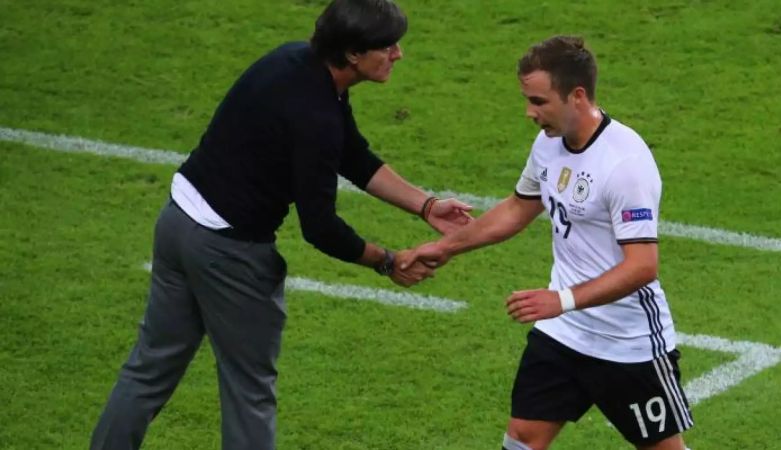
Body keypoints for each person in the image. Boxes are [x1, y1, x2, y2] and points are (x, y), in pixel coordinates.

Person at [89, 1, 472, 449]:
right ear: (352, 53)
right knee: (250, 392)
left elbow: (352, 153)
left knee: (148, 370)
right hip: (229, 254)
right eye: (387, 46)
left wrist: (425, 206)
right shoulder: (315, 115)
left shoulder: (294, 61)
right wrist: (387, 262)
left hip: (176, 224)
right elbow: (320, 227)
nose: (398, 54)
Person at [405, 36, 693, 450]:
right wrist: (446, 247)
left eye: (539, 101)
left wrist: (563, 300)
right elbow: (518, 208)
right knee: (522, 439)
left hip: (629, 343)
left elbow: (642, 266)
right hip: (563, 333)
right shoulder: (548, 145)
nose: (529, 112)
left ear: (577, 96)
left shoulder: (625, 164)